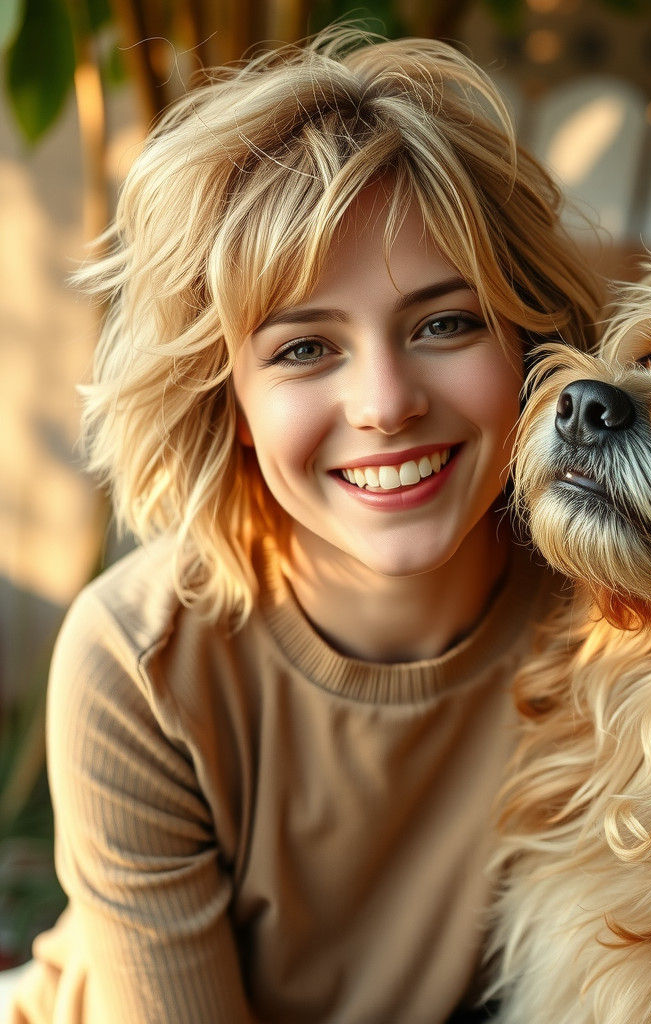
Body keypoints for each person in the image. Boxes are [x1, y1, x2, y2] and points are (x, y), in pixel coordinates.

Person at [6, 25, 602, 1024]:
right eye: (302, 349)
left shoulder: (614, 624)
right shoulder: (140, 665)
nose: (384, 401)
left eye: (444, 323)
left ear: (532, 340)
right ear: (224, 400)